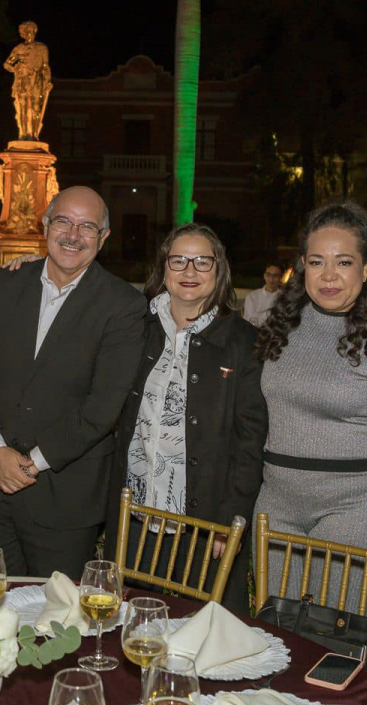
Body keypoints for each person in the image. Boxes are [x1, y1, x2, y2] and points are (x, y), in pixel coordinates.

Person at [253, 201, 367, 618]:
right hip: (276, 506)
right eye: (316, 262)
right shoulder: (282, 325)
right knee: (273, 635)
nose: (328, 275)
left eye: (343, 262)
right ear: (302, 266)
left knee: (335, 642)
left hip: (355, 511)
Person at [0, 186, 146, 579]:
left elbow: (103, 408)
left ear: (103, 237)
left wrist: (32, 463)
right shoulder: (3, 284)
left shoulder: (124, 305)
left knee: (57, 611)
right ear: (46, 226)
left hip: (66, 497)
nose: (73, 235)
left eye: (87, 227)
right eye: (64, 221)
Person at [108, 223, 266, 615]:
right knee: (131, 625)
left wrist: (232, 519)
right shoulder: (135, 327)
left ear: (219, 269)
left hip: (203, 525)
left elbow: (250, 441)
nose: (190, 271)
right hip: (135, 517)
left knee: (199, 632)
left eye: (202, 261)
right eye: (178, 260)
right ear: (163, 267)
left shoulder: (244, 342)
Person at [4, 20, 52, 141]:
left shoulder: (42, 48)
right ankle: (23, 133)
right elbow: (7, 64)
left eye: (31, 30)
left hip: (36, 80)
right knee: (23, 107)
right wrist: (16, 69)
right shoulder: (19, 48)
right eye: (26, 31)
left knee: (36, 108)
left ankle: (34, 134)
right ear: (23, 33)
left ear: (34, 31)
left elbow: (45, 66)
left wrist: (48, 81)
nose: (29, 33)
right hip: (22, 80)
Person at [241, 262, 284, 327]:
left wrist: (260, 315)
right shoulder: (252, 296)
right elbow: (249, 320)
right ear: (264, 276)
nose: (271, 279)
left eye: (275, 275)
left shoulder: (284, 297)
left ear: (280, 277)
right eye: (268, 275)